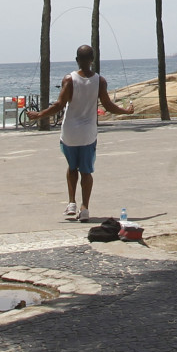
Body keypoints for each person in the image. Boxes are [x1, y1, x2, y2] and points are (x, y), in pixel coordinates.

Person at [29, 44, 134, 221]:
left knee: (72, 168)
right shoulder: (100, 81)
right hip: (88, 133)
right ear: (92, 60)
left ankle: (71, 203)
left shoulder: (69, 79)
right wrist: (126, 111)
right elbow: (108, 106)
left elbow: (59, 105)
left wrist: (39, 115)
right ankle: (84, 208)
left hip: (70, 132)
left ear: (77, 60)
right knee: (86, 172)